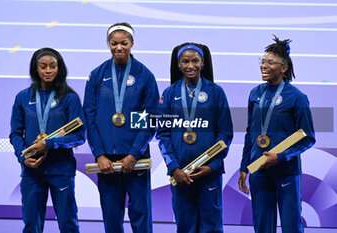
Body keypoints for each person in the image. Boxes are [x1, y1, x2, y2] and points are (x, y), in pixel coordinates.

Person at [83, 22, 159, 233]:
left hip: (136, 159)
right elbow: (89, 117)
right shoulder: (97, 75)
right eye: (114, 43)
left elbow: (151, 117)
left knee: (141, 215)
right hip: (106, 160)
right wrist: (99, 154)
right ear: (108, 44)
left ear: (132, 43)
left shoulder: (144, 75)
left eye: (124, 43)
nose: (119, 47)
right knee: (111, 215)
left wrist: (134, 154)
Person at [238, 36, 315, 233]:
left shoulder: (297, 97)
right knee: (263, 226)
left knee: (291, 227)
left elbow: (308, 137)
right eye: (262, 61)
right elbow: (250, 132)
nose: (264, 66)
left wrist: (280, 157)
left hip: (286, 172)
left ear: (284, 68)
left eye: (270, 62)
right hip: (259, 170)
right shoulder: (255, 93)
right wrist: (244, 167)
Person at [156, 42, 233, 233]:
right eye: (185, 61)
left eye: (195, 61)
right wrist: (174, 168)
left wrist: (212, 166)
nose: (190, 66)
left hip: (209, 174)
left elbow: (225, 134)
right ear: (178, 65)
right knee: (185, 226)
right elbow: (163, 134)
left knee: (211, 226)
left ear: (203, 63)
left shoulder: (216, 92)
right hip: (181, 175)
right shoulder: (169, 94)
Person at [9, 47, 86, 233]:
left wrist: (49, 144)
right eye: (43, 66)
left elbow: (79, 136)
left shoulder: (70, 98)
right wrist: (22, 157)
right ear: (36, 69)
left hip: (61, 170)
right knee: (31, 225)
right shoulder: (22, 98)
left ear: (59, 68)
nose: (48, 70)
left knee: (68, 224)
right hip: (31, 171)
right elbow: (15, 134)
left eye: (53, 66)